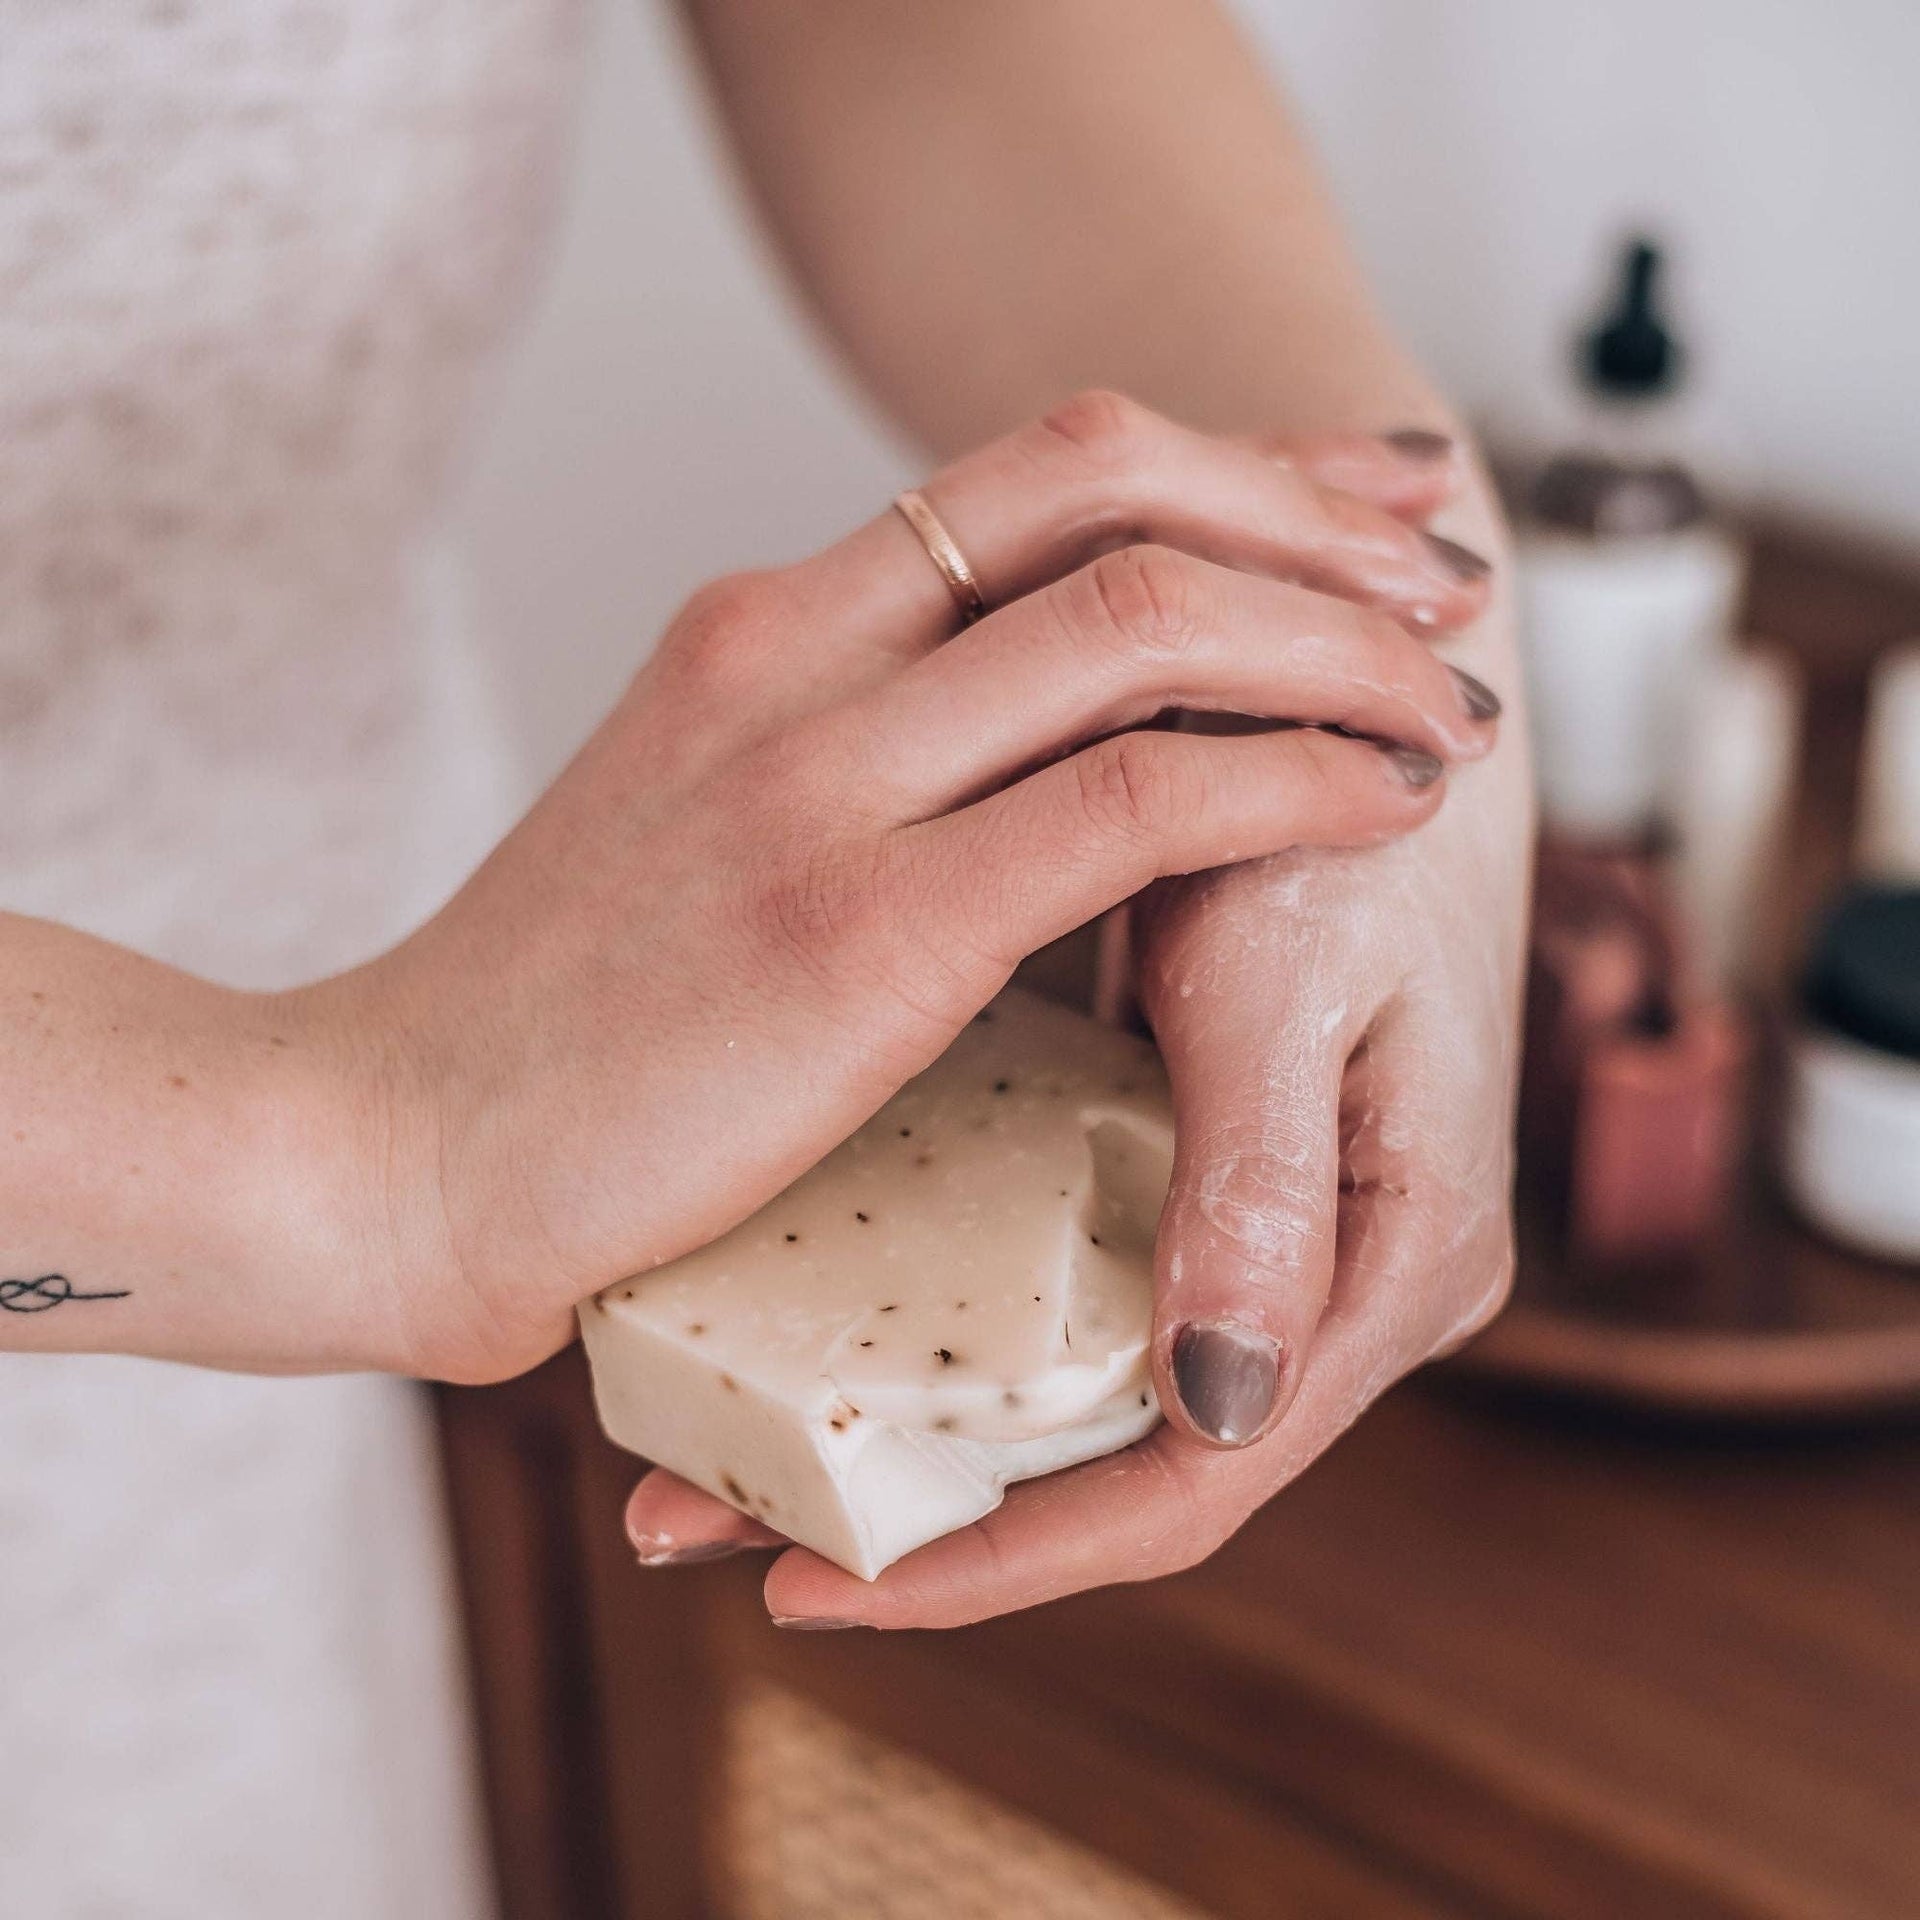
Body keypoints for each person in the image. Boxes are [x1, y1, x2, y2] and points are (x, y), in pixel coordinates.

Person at [0, 0, 1528, 1908]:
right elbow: (358, 1155)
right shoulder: (374, 1162)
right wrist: (345, 1150)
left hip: (257, 1468)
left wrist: (1359, 608)